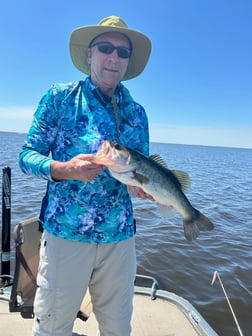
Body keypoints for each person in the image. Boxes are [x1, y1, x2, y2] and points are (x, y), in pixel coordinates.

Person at [19, 15, 152, 336]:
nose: (114, 57)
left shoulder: (137, 113)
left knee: (118, 329)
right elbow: (26, 156)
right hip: (66, 235)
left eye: (123, 52)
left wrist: (146, 189)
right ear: (89, 55)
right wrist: (62, 169)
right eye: (106, 47)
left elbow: (140, 173)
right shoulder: (60, 98)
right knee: (52, 328)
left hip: (119, 239)